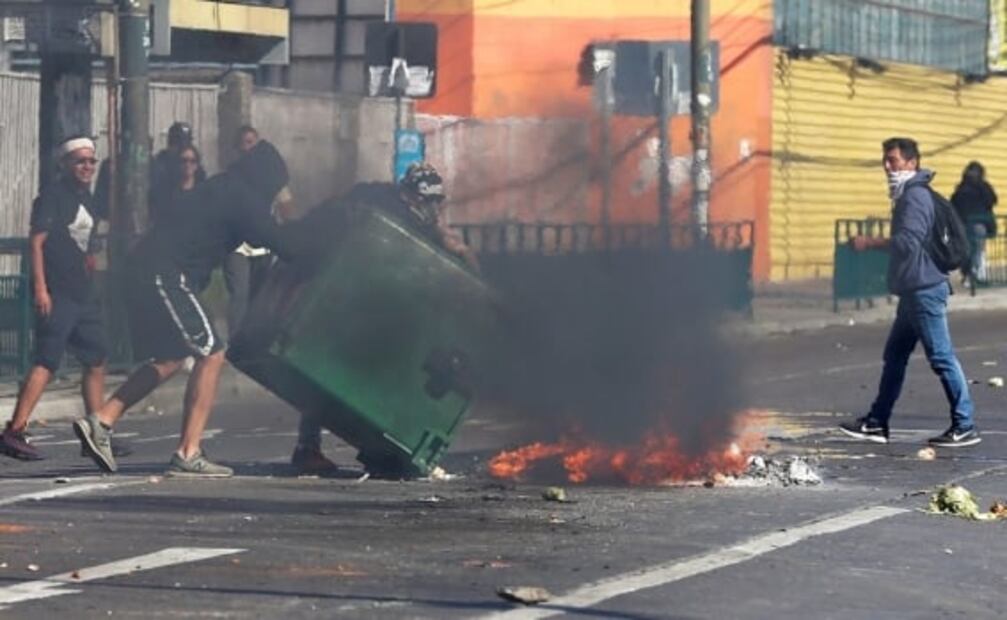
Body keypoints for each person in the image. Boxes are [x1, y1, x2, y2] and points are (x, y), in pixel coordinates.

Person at [73, 140, 294, 477]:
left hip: (146, 268)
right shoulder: (243, 198)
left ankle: (102, 421)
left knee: (171, 358)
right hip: (167, 272)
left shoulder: (222, 186)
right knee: (212, 352)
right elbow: (278, 241)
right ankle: (188, 452)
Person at [840, 137, 979, 448]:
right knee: (895, 356)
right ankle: (877, 422)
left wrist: (869, 243)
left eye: (894, 160)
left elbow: (908, 242)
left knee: (941, 357)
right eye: (885, 161)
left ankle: (964, 424)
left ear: (912, 163)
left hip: (924, 290)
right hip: (913, 290)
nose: (888, 167)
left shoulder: (914, 197)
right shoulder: (910, 194)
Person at [0, 137, 108, 460]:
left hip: (82, 292)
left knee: (97, 357)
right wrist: (41, 288)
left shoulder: (86, 198)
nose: (87, 167)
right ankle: (15, 430)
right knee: (46, 360)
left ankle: (98, 430)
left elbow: (86, 240)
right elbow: (37, 242)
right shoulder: (52, 197)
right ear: (65, 164)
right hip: (58, 292)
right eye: (80, 161)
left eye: (91, 161)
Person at [150, 122, 206, 228]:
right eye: (178, 143)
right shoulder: (160, 164)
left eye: (186, 143)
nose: (187, 164)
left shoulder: (198, 170)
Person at [951, 161, 997, 285]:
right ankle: (977, 276)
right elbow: (992, 200)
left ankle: (970, 276)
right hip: (979, 224)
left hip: (964, 224)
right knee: (978, 251)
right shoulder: (983, 186)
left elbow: (954, 205)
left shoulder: (961, 188)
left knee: (968, 251)